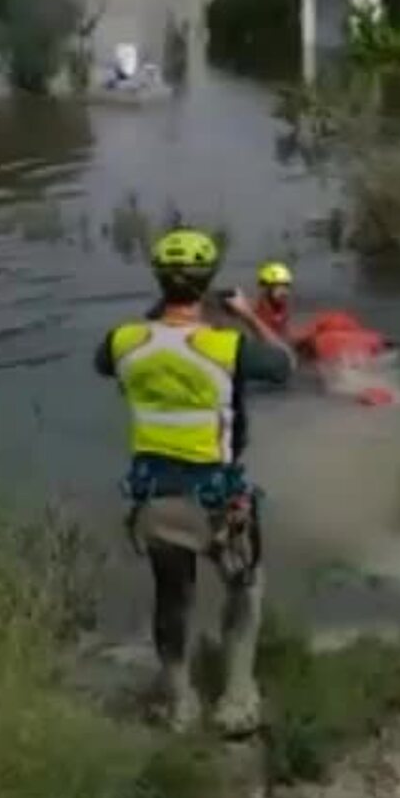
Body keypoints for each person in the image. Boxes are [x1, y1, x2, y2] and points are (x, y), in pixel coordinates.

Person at [95, 228, 296, 735]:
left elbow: (117, 356)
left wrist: (166, 306)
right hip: (215, 502)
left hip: (154, 502)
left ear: (160, 281)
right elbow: (284, 365)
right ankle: (236, 698)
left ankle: (180, 702)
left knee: (172, 596)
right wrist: (247, 314)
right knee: (246, 587)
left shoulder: (122, 341)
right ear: (207, 284)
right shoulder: (226, 346)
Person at [255, 260, 294, 339]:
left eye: (286, 287)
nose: (285, 292)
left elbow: (286, 332)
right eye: (280, 287)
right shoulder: (260, 311)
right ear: (267, 289)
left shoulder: (281, 306)